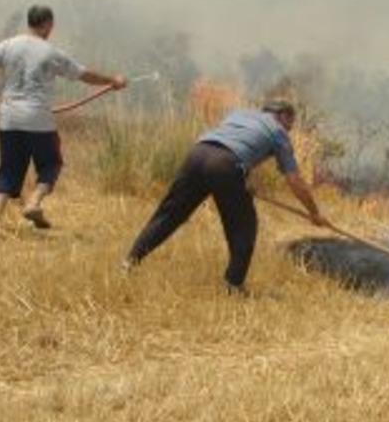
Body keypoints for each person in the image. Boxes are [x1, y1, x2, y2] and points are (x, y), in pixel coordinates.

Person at [122, 100, 327, 294]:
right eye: (291, 122)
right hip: (225, 165)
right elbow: (294, 180)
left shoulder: (240, 115)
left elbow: (237, 143)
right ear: (283, 115)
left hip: (197, 153)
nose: (291, 128)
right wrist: (314, 213)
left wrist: (244, 178)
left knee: (170, 214)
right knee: (244, 228)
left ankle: (130, 261)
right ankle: (233, 285)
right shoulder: (278, 132)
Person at [0, 5, 127, 233]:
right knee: (51, 164)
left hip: (9, 118)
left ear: (29, 22)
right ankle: (34, 203)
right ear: (47, 24)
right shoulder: (50, 52)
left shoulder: (8, 45)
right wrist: (113, 80)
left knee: (7, 171)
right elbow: (84, 75)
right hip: (38, 119)